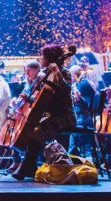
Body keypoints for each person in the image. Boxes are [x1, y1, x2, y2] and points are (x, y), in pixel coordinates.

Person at [12, 44, 77, 181]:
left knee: (37, 130)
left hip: (65, 116)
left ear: (50, 58)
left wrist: (57, 72)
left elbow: (66, 89)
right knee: (31, 129)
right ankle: (29, 166)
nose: (41, 58)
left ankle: (27, 166)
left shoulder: (64, 72)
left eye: (43, 56)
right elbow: (41, 97)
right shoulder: (44, 73)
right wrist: (28, 98)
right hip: (50, 115)